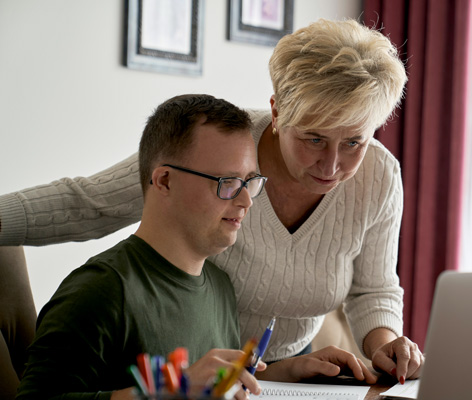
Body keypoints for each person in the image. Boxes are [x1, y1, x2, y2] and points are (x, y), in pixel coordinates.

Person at [0, 18, 423, 382]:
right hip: (183, 368)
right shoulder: (222, 152)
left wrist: (386, 346)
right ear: (277, 114)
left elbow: (373, 288)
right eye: (314, 138)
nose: (332, 165)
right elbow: (88, 203)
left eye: (354, 141)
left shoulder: (379, 177)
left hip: (280, 370)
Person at [15, 94, 376, 400]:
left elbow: (211, 387)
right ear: (165, 181)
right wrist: (170, 390)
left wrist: (289, 371)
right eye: (228, 182)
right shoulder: (99, 291)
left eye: (250, 182)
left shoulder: (219, 287)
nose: (246, 201)